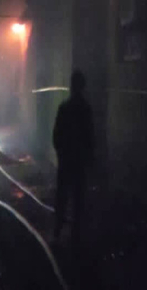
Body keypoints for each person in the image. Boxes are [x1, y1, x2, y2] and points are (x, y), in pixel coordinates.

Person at [52, 70, 94, 249]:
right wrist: (89, 157)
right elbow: (90, 137)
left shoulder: (64, 107)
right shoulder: (85, 109)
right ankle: (76, 236)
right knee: (78, 198)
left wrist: (61, 153)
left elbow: (56, 135)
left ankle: (57, 232)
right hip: (78, 161)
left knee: (62, 196)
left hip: (66, 160)